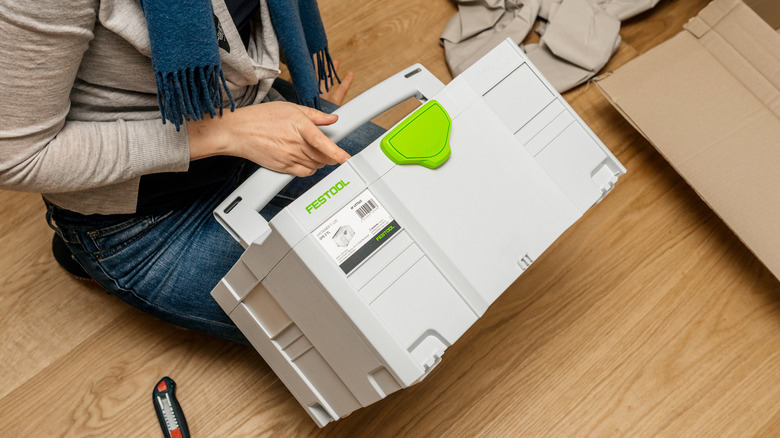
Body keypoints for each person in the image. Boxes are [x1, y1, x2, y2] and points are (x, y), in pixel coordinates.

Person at [0, 0, 385, 344]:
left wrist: (302, 85)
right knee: (368, 321)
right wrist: (227, 132)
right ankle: (86, 253)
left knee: (418, 203)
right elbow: (16, 158)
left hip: (251, 108)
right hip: (148, 222)